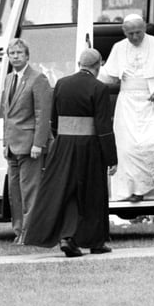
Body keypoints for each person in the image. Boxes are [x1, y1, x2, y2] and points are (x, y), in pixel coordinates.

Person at [24, 49, 117, 257]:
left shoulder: (62, 84)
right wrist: (111, 157)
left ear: (78, 63)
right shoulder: (100, 88)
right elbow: (103, 126)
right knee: (93, 194)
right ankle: (96, 241)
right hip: (89, 147)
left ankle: (67, 237)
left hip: (64, 144)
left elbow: (54, 121)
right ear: (98, 65)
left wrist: (63, 138)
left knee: (66, 192)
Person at [99, 14, 154, 202]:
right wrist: (90, 73)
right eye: (130, 34)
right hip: (127, 103)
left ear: (144, 28)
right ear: (124, 32)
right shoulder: (119, 48)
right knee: (127, 148)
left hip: (152, 100)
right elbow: (110, 76)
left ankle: (147, 185)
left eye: (138, 32)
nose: (135, 37)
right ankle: (132, 189)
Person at [2, 39, 52, 244]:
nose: (15, 56)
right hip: (12, 145)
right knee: (14, 193)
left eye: (19, 53)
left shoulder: (38, 78)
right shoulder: (8, 79)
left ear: (27, 55)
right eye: (12, 53)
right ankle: (19, 231)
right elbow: (7, 115)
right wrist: (5, 143)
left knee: (30, 191)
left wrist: (38, 144)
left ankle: (30, 232)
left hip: (30, 145)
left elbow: (42, 114)